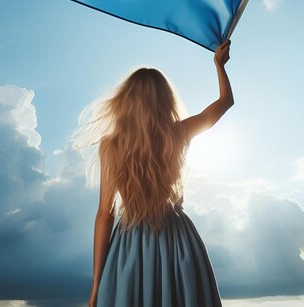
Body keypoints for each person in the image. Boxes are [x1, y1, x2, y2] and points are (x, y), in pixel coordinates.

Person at [76, 38, 233, 307]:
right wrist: (219, 65)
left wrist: (96, 285)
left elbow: (105, 214)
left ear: (126, 102)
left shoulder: (111, 145)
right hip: (178, 239)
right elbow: (225, 102)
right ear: (165, 101)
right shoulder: (180, 133)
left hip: (130, 244)